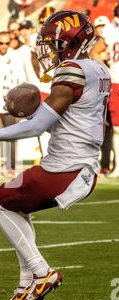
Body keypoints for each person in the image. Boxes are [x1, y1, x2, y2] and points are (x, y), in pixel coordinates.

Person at [0, 10, 110, 300]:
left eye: (56, 44)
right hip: (78, 165)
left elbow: (37, 126)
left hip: (65, 168)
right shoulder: (98, 68)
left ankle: (40, 272)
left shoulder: (73, 71)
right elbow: (72, 118)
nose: (50, 51)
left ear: (73, 42)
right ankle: (27, 283)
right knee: (14, 204)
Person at [0, 31, 26, 177]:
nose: (4, 46)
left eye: (7, 43)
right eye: (1, 43)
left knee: (11, 136)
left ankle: (11, 167)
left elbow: (21, 80)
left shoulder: (16, 56)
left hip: (10, 102)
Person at [95, 5, 119, 177]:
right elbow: (95, 53)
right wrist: (108, 70)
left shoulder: (109, 30)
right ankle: (117, 166)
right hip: (116, 82)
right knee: (117, 127)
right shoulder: (109, 30)